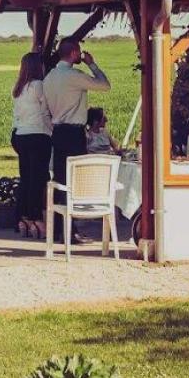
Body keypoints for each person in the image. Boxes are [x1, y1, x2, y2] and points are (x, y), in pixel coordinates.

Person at [43, 38, 110, 242]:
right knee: (74, 181)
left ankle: (58, 229)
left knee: (60, 179)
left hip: (58, 132)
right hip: (74, 134)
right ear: (73, 53)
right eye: (79, 52)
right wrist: (91, 63)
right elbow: (104, 85)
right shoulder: (73, 76)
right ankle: (70, 231)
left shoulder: (50, 77)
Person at [10, 52, 51, 239]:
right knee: (39, 179)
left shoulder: (18, 88)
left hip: (20, 135)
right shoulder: (39, 86)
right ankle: (36, 218)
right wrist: (52, 130)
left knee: (26, 178)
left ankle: (22, 218)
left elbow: (16, 116)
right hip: (38, 135)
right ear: (38, 66)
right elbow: (45, 113)